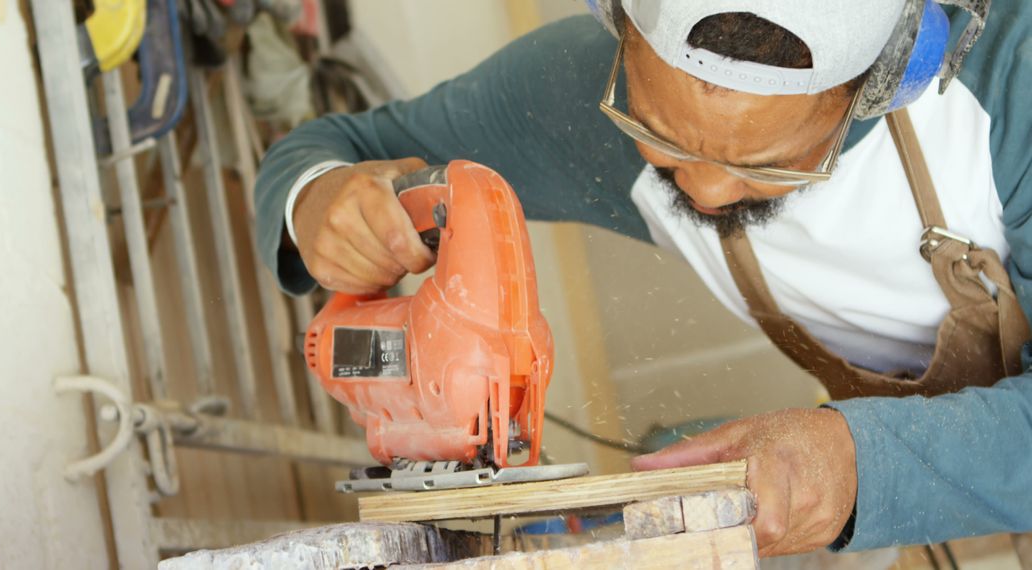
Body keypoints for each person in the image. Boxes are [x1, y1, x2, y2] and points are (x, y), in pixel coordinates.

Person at [253, 0, 1032, 558]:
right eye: (658, 139)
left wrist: (859, 463)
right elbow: (334, 145)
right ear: (620, 28)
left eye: (768, 166)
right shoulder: (575, 94)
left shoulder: (1013, 90)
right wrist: (314, 200)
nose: (706, 192)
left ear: (887, 78)